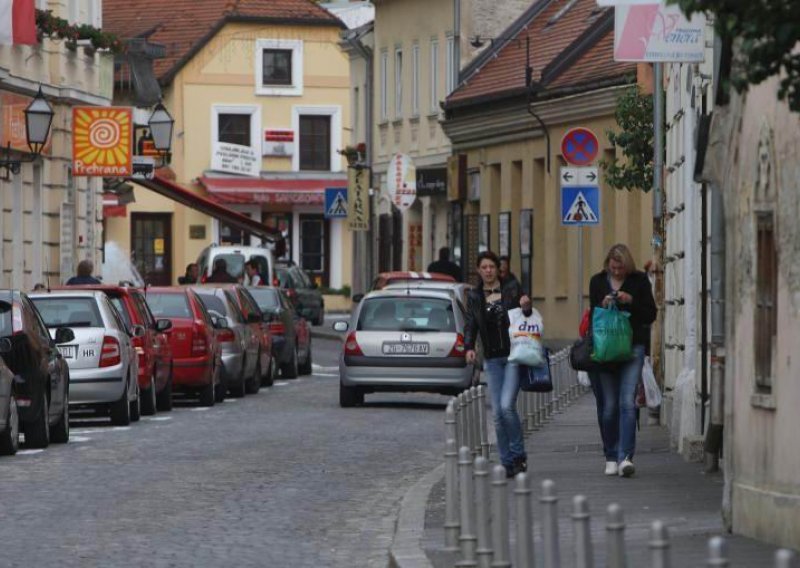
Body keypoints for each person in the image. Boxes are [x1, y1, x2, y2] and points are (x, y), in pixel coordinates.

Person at [588, 243, 657, 478]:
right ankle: (610, 454)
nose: (617, 272)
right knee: (609, 407)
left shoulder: (638, 281)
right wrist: (604, 304)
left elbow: (651, 314)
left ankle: (625, 457)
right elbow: (593, 316)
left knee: (627, 403)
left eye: (621, 268)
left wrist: (631, 301)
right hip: (606, 351)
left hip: (632, 348)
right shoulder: (597, 282)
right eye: (613, 267)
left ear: (628, 266)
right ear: (607, 264)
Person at [464, 250, 532, 478]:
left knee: (506, 407)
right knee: (497, 415)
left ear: (497, 269)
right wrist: (469, 347)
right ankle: (506, 461)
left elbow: (527, 315)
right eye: (483, 267)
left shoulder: (511, 288)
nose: (488, 271)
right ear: (478, 270)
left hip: (513, 354)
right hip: (492, 359)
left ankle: (518, 454)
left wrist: (526, 306)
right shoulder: (474, 296)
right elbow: (471, 323)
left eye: (491, 267)